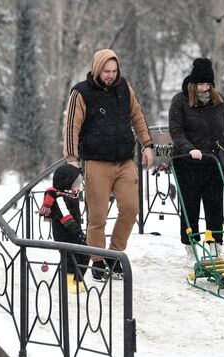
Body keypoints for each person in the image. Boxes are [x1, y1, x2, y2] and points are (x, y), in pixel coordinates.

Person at [62, 49, 154, 281]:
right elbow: (71, 125)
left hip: (124, 160)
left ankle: (114, 253)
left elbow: (137, 116)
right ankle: (98, 260)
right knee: (97, 216)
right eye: (107, 71)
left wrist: (147, 144)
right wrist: (72, 158)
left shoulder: (124, 87)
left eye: (114, 71)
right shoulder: (81, 92)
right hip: (95, 161)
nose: (111, 75)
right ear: (97, 69)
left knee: (131, 208)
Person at [168, 58, 224, 256]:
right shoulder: (180, 101)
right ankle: (190, 247)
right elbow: (176, 131)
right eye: (200, 84)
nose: (204, 88)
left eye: (207, 84)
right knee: (190, 206)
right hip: (188, 163)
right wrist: (189, 149)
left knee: (214, 206)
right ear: (192, 83)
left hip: (213, 163)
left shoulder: (219, 100)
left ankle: (215, 245)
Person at [38, 164, 89, 294]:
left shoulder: (71, 196)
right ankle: (68, 281)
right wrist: (78, 233)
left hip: (74, 233)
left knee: (84, 255)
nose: (79, 185)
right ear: (67, 183)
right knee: (70, 258)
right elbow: (66, 218)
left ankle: (78, 280)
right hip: (64, 235)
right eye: (76, 183)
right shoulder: (60, 198)